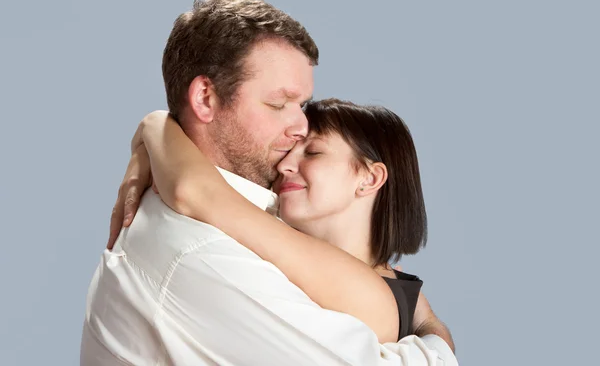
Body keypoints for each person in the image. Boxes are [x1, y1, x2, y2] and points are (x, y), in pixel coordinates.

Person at [81, 0, 457, 365]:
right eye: (278, 104)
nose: (300, 127)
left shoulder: (257, 221)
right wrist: (432, 333)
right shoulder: (205, 255)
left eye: (303, 106)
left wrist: (154, 128)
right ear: (205, 99)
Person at [122, 98, 455, 345]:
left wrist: (154, 125)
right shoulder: (404, 295)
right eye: (287, 153)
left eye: (313, 153)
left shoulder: (374, 297)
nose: (285, 166)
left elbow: (194, 191)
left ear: (369, 178)